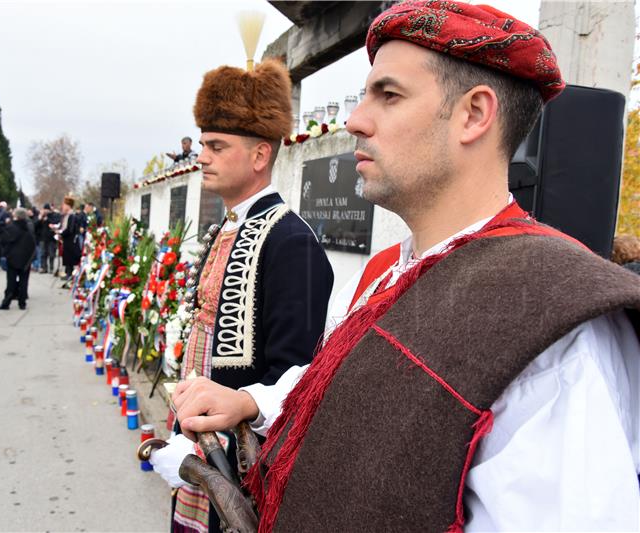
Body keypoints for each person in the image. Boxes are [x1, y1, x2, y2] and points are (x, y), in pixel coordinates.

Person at [170, 3, 640, 532]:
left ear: (474, 114)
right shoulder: (380, 275)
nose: (354, 120)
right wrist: (251, 402)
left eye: (388, 95)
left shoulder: (552, 325)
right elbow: (333, 392)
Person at [149, 58, 334, 533]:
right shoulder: (230, 226)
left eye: (217, 146)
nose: (203, 156)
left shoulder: (291, 242)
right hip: (198, 447)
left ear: (258, 156)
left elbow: (293, 377)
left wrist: (208, 454)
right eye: (203, 144)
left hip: (244, 472)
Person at [0, 207, 35, 310]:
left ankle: (6, 302)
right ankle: (22, 302)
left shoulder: (12, 227)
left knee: (11, 282)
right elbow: (33, 242)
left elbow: (4, 240)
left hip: (13, 258)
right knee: (24, 281)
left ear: (16, 216)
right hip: (25, 258)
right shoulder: (29, 227)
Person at [58, 196, 80, 283]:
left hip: (70, 241)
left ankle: (70, 274)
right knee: (66, 257)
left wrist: (61, 234)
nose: (63, 207)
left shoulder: (71, 216)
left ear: (68, 206)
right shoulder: (66, 216)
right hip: (67, 240)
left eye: (64, 205)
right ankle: (68, 273)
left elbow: (70, 230)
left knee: (69, 257)